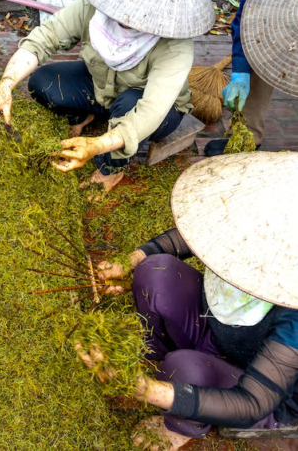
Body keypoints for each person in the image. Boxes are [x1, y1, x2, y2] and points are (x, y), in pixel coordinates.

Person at [78, 152, 298, 450]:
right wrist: (130, 259)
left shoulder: (292, 307)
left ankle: (182, 427)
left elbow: (252, 403)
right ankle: (156, 348)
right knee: (157, 271)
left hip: (258, 382)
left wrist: (143, 389)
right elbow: (194, 234)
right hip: (216, 327)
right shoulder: (252, 222)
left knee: (184, 369)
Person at [0, 0, 215, 193]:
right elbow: (43, 39)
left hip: (151, 109)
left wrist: (96, 146)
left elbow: (150, 111)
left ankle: (110, 170)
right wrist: (6, 85)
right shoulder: (94, 9)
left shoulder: (175, 46)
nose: (127, 15)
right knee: (43, 82)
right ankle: (87, 116)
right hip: (101, 85)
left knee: (127, 107)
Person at [205, 0, 298, 156]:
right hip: (278, 22)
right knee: (258, 52)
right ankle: (249, 134)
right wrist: (241, 73)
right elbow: (246, 24)